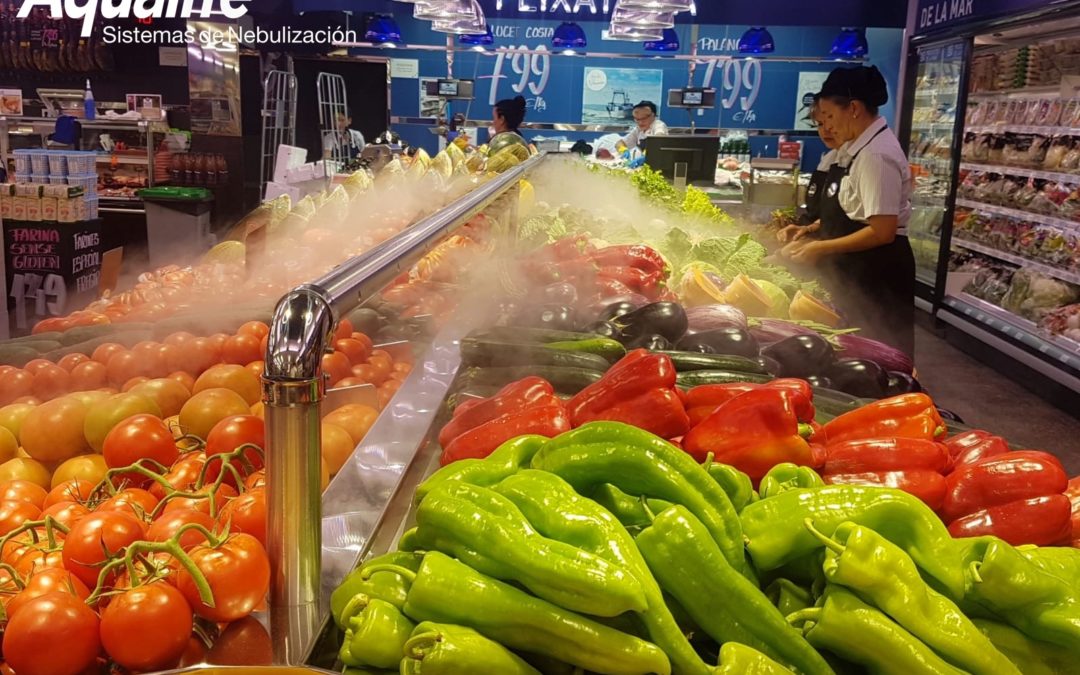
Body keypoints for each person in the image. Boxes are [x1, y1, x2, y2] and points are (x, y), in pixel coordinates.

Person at [778, 65, 916, 356]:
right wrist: (813, 232)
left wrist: (819, 249)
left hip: (875, 274)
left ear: (853, 108)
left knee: (878, 357)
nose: (827, 126)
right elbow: (854, 211)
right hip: (856, 269)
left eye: (829, 115)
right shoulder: (861, 150)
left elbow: (882, 231)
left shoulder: (876, 156)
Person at [779, 95, 844, 232]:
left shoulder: (860, 160)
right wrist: (808, 229)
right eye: (820, 124)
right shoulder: (829, 158)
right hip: (817, 238)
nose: (826, 129)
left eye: (830, 121)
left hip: (830, 244)